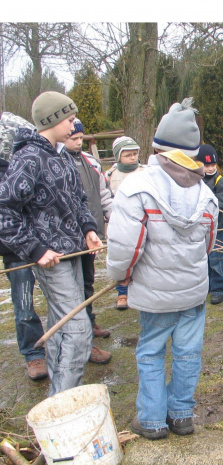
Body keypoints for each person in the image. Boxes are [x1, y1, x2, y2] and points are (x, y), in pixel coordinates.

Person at [107, 98, 218, 440]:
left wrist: (121, 279)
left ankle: (152, 419)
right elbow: (208, 245)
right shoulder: (206, 194)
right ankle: (182, 415)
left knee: (151, 352)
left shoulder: (135, 189)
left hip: (155, 297)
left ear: (157, 147)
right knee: (188, 354)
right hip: (193, 292)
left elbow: (127, 248)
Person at [0, 91, 103, 397]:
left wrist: (88, 229)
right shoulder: (28, 158)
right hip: (50, 260)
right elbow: (4, 211)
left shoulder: (62, 157)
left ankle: (61, 393)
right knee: (78, 329)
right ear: (53, 120)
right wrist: (34, 249)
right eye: (69, 119)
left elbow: (79, 200)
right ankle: (64, 402)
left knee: (61, 324)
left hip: (74, 253)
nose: (74, 125)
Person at [0, 112, 47, 381]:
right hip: (14, 246)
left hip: (43, 239)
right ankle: (33, 353)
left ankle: (74, 342)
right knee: (24, 300)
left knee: (63, 296)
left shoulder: (29, 154)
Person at [65, 119, 113, 364]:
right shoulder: (58, 163)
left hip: (91, 234)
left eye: (80, 138)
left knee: (87, 282)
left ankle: (90, 322)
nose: (77, 142)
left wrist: (113, 217)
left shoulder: (91, 162)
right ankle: (82, 340)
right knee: (73, 288)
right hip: (68, 239)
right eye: (72, 138)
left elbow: (103, 193)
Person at [106, 136, 145, 310]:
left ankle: (140, 290)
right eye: (127, 154)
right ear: (118, 156)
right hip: (120, 223)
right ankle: (122, 292)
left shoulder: (145, 171)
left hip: (141, 221)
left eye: (135, 154)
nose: (132, 158)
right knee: (123, 259)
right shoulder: (111, 175)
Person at [195, 144, 223, 305]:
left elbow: (222, 202)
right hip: (201, 227)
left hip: (218, 226)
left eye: (213, 165)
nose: (210, 168)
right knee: (204, 257)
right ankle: (207, 285)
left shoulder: (219, 181)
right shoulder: (196, 181)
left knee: (217, 257)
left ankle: (218, 288)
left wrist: (205, 205)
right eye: (206, 165)